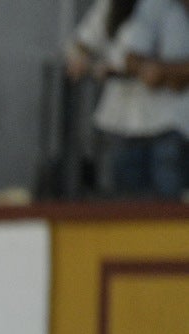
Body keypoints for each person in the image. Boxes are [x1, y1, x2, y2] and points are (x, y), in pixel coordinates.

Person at [65, 0, 157, 195]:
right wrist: (82, 60)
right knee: (123, 201)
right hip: (120, 121)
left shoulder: (167, 7)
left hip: (166, 122)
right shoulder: (110, 5)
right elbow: (82, 44)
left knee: (169, 205)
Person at [120, 0, 189, 197]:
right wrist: (148, 70)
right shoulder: (155, 4)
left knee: (174, 214)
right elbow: (131, 58)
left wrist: (165, 70)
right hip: (149, 124)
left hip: (181, 125)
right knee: (135, 211)